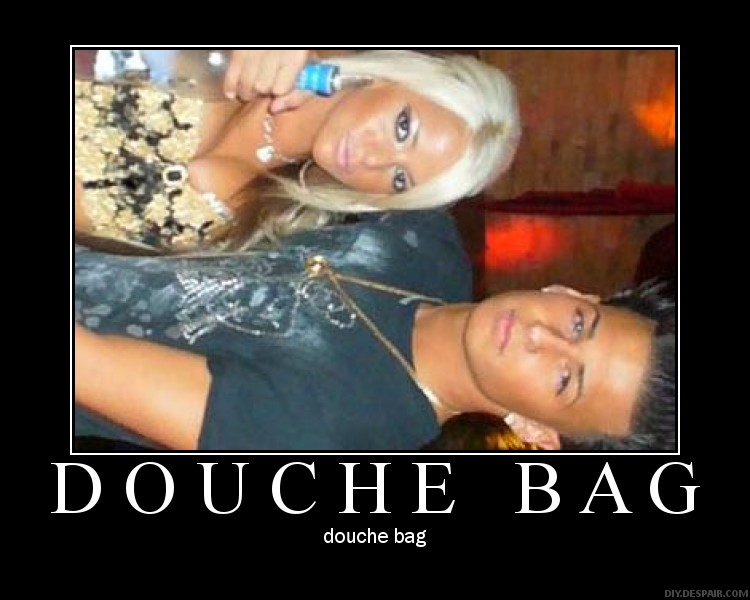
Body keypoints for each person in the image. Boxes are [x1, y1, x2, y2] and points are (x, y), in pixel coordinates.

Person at [74, 209, 676, 452]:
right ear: (571, 294)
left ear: (539, 432)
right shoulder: (425, 234)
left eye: (566, 378)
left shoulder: (332, 428)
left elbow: (87, 364)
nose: (542, 338)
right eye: (580, 324)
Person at [74, 49, 521, 253]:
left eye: (399, 179)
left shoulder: (276, 227)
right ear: (394, 75)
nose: (374, 159)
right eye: (403, 128)